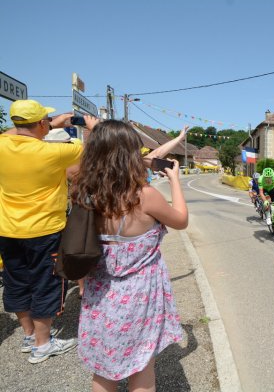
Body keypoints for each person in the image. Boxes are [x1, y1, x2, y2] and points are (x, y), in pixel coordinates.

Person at [72, 120, 188, 391]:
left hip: (99, 293)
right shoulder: (144, 196)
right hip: (139, 295)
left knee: (103, 372)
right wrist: (175, 182)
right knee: (142, 365)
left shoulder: (83, 191)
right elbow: (181, 220)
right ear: (132, 154)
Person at [0, 99, 98, 364]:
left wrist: (48, 124)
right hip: (44, 230)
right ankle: (43, 345)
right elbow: (95, 149)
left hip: (8, 229)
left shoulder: (3, 145)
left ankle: (30, 335)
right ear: (42, 123)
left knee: (16, 281)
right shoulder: (54, 152)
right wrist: (93, 127)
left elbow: (10, 134)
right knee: (46, 283)